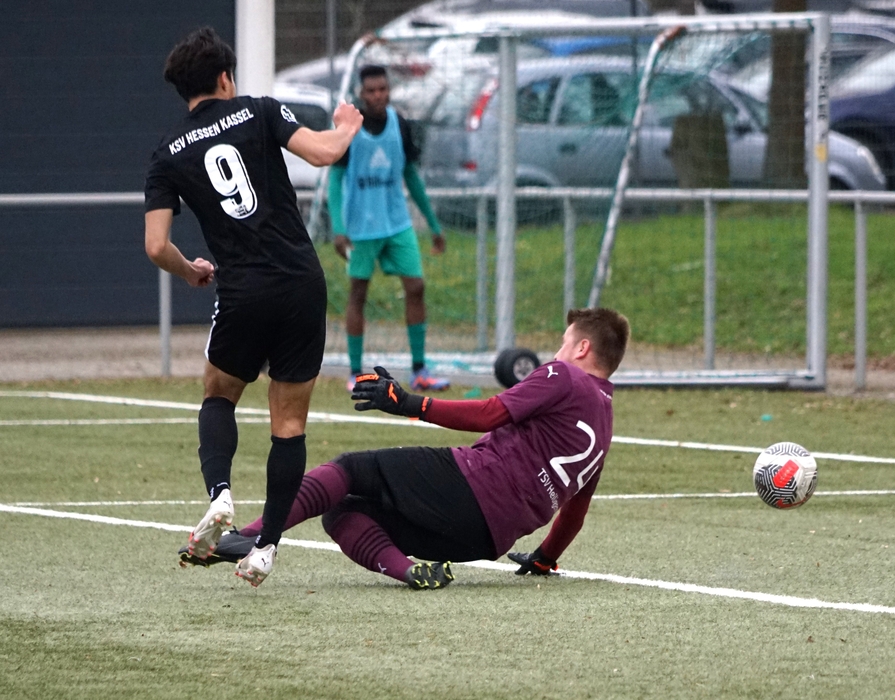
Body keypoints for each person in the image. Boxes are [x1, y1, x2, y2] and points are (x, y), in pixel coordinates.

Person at [179, 309, 631, 590]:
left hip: (477, 487)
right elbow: (576, 510)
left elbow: (491, 413)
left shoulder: (564, 376)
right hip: (486, 539)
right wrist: (545, 557)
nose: (557, 351)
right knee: (339, 510)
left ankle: (253, 535)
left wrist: (408, 403)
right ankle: (409, 571)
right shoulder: (606, 422)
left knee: (349, 469)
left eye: (563, 343)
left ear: (582, 347)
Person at [145, 27, 363, 587]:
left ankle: (220, 496)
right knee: (288, 423)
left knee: (219, 393)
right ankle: (265, 549)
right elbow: (324, 153)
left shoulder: (167, 153)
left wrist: (190, 269)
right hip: (300, 284)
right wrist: (346, 126)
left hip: (243, 291)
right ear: (225, 78)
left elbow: (155, 246)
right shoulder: (260, 111)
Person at [327, 64, 450, 394]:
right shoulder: (350, 129)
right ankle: (355, 372)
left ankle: (419, 369)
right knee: (358, 293)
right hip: (361, 228)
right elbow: (336, 180)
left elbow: (411, 176)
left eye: (383, 89)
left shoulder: (401, 125)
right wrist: (339, 229)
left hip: (397, 223)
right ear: (361, 94)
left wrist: (433, 224)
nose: (378, 95)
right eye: (371, 91)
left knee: (416, 286)